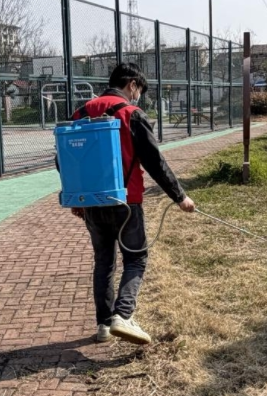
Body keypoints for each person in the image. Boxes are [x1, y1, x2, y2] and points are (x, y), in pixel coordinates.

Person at [69, 62, 195, 345]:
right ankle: (123, 316)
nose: (138, 96)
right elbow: (154, 162)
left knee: (104, 262)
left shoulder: (80, 113)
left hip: (91, 203)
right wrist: (180, 197)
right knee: (136, 258)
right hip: (127, 202)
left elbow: (63, 159)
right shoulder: (131, 114)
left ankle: (103, 325)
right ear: (132, 85)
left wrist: (77, 197)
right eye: (139, 90)